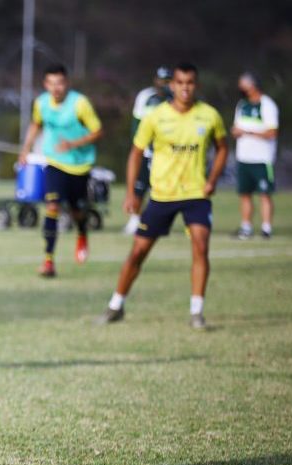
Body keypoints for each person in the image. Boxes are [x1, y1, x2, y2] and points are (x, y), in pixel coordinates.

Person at [100, 62, 228, 329]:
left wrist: (213, 179)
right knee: (138, 252)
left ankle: (196, 312)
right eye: (180, 83)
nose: (185, 88)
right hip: (162, 195)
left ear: (197, 85)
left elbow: (222, 148)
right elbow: (136, 153)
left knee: (201, 247)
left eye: (190, 83)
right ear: (172, 86)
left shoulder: (210, 116)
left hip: (196, 194)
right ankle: (116, 304)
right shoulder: (156, 116)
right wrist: (132, 193)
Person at [18, 63, 103, 278]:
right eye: (52, 83)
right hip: (54, 162)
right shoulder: (41, 103)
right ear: (46, 84)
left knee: (77, 211)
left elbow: (97, 132)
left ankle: (82, 232)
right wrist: (25, 150)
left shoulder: (80, 103)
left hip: (79, 164)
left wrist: (73, 144)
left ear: (67, 83)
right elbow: (36, 124)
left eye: (60, 83)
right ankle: (48, 261)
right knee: (52, 206)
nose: (57, 88)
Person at [124, 66, 173, 235]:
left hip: (164, 154)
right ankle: (134, 219)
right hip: (145, 151)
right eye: (162, 80)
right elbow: (136, 123)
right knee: (139, 187)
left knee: (161, 189)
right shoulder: (146, 97)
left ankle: (159, 221)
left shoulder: (174, 100)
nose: (164, 84)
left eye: (167, 80)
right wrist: (137, 144)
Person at [231, 72, 279, 239]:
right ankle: (246, 227)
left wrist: (248, 132)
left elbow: (272, 132)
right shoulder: (241, 104)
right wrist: (236, 132)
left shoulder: (267, 105)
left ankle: (266, 228)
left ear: (252, 85)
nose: (240, 88)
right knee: (245, 194)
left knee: (264, 194)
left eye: (242, 85)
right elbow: (237, 127)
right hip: (244, 157)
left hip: (262, 158)